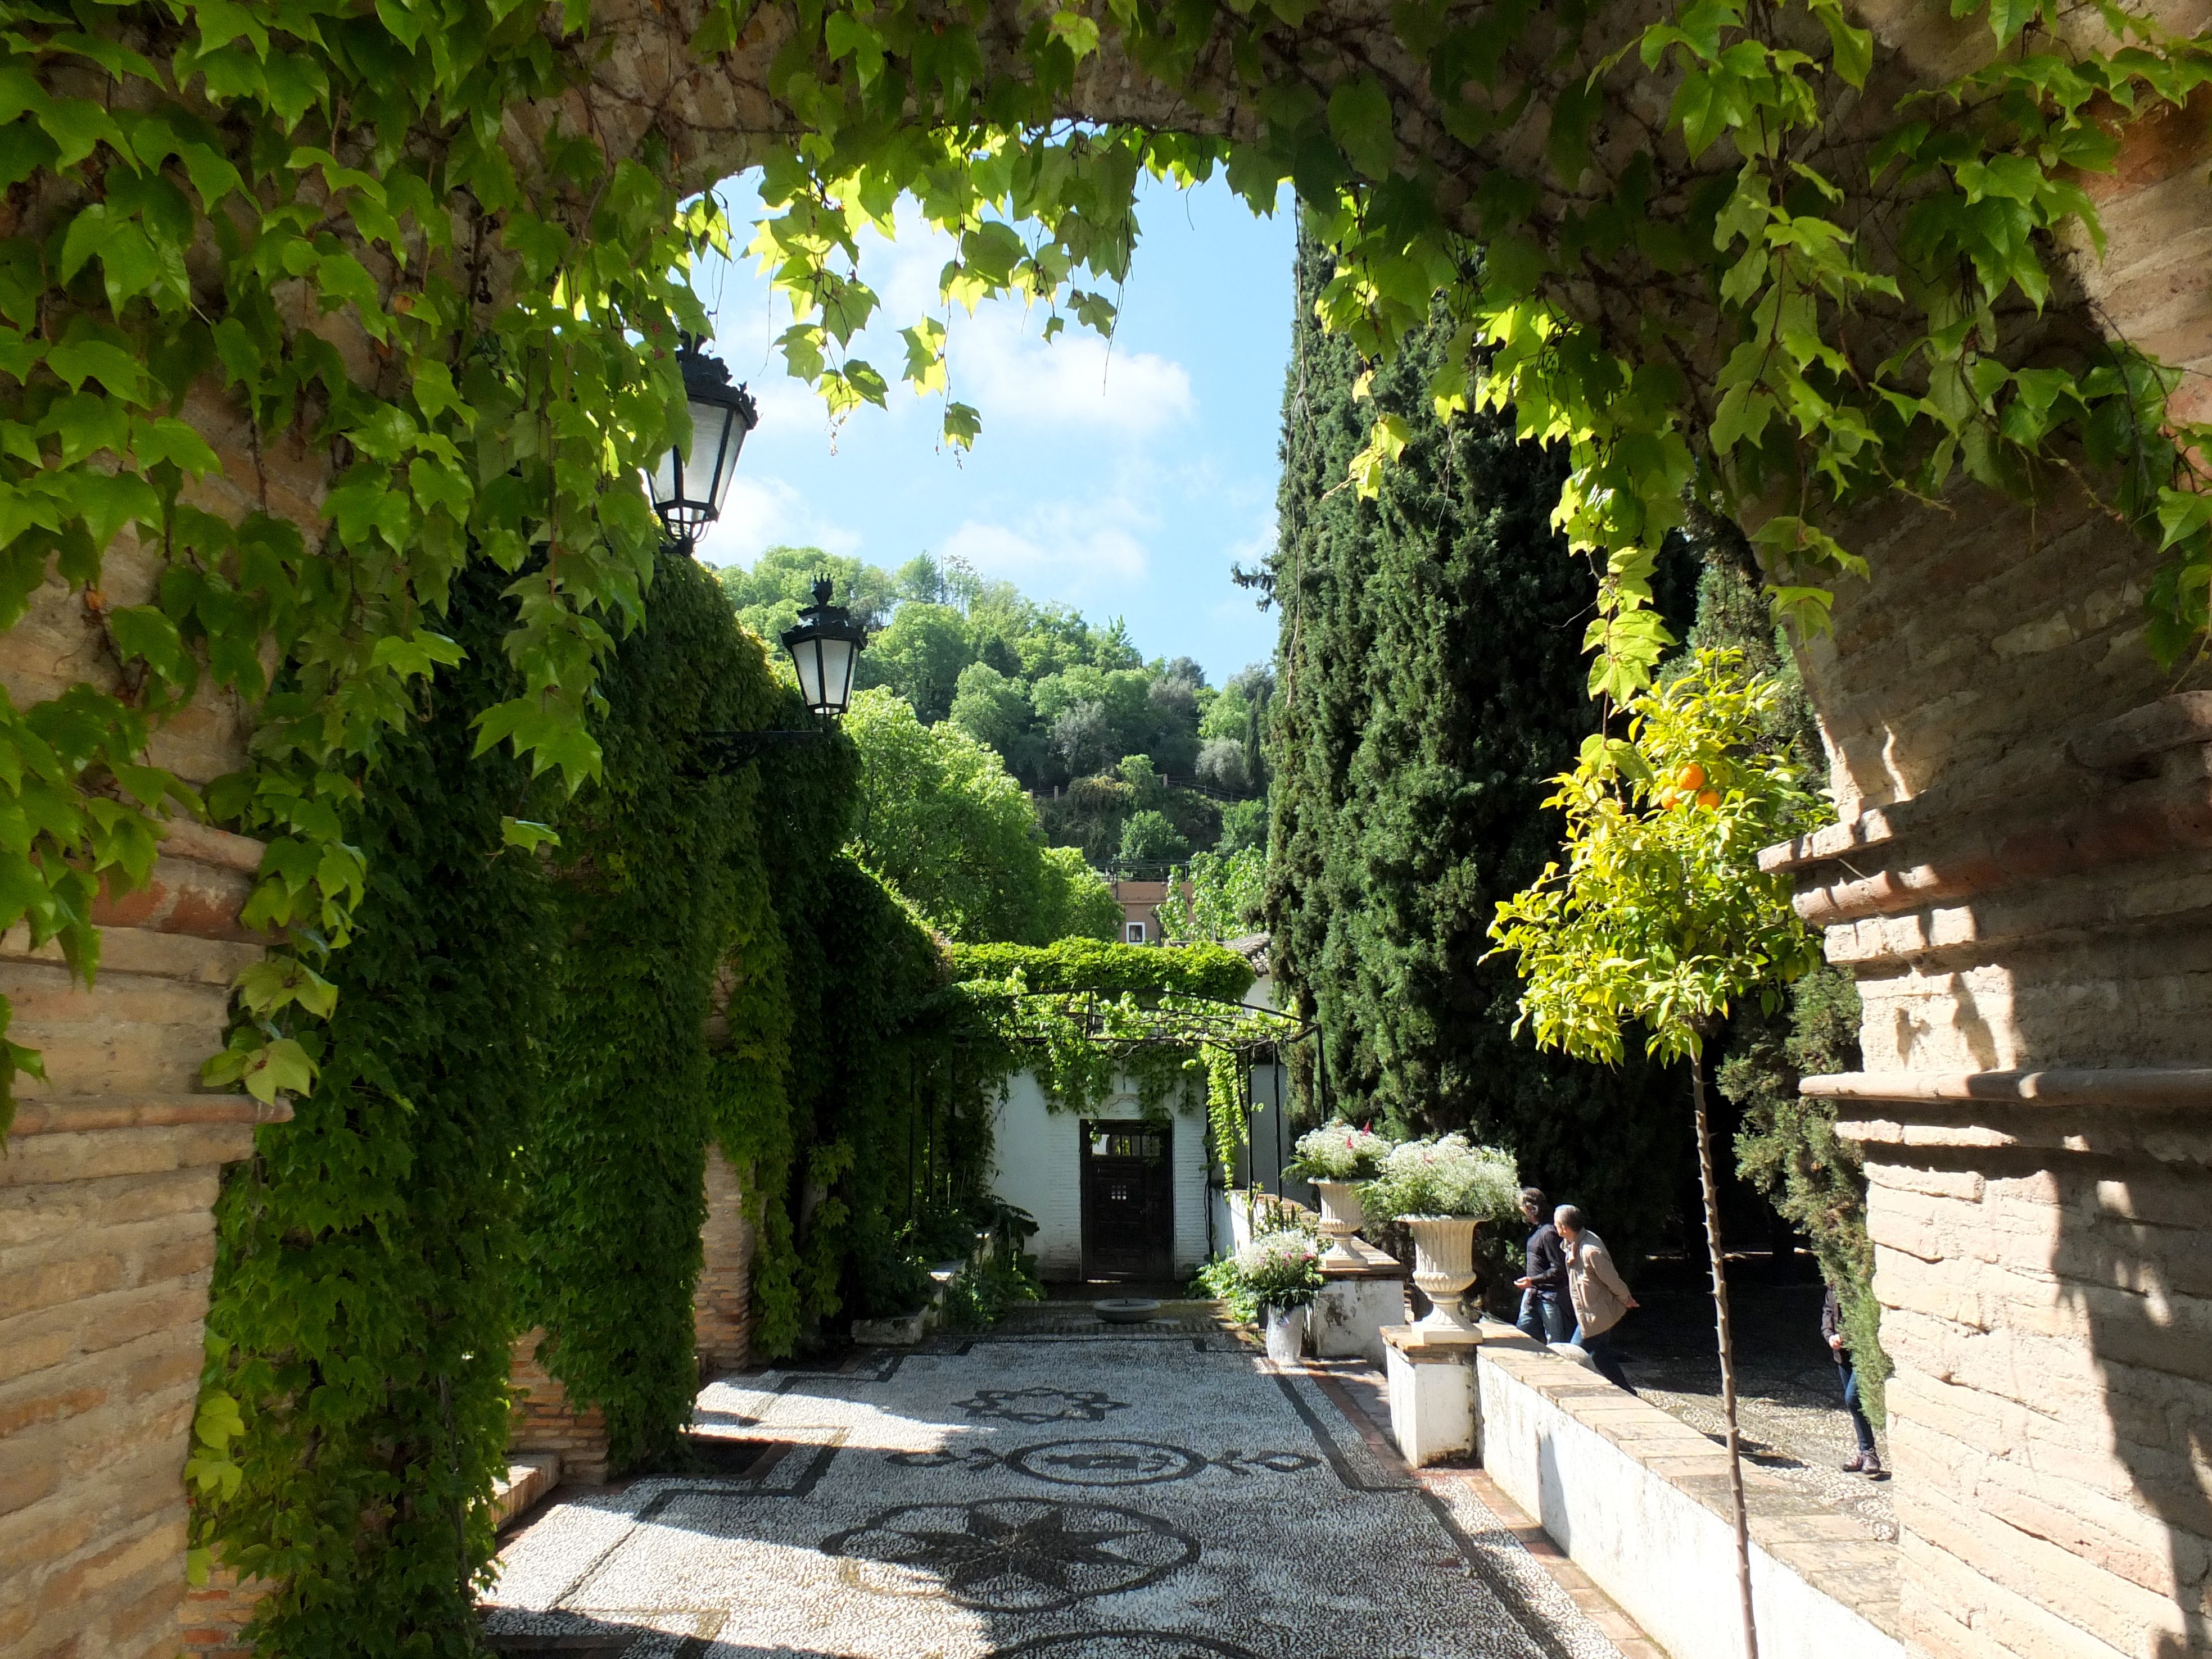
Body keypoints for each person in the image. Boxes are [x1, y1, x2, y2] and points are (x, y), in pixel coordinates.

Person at [1555, 1204, 1638, 1391]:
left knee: (1572, 1354)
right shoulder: (1574, 1243)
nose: (1554, 1227)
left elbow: (1612, 1279)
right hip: (1590, 1312)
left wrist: (1626, 1299)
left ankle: (1571, 1392)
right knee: (1600, 1356)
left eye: (1556, 1224)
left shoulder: (1591, 1250)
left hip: (1596, 1315)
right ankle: (1628, 1391)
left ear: (1564, 1228)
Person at [1823, 1284, 1885, 1477]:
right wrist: (1830, 1335)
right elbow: (1828, 1311)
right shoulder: (1834, 1285)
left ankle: (1868, 1453)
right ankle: (1867, 1453)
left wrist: (1846, 1335)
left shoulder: (1860, 1284)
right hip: (1843, 1354)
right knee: (1855, 1406)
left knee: (1853, 1398)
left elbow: (1867, 1317)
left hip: (1863, 1353)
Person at [1512, 1187, 1572, 1344]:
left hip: (1549, 1299)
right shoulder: (1537, 1230)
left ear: (1532, 1209)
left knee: (1556, 1344)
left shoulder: (1548, 1233)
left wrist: (1532, 1281)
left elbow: (1558, 1270)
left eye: (1524, 1208)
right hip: (1532, 1296)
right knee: (1519, 1339)